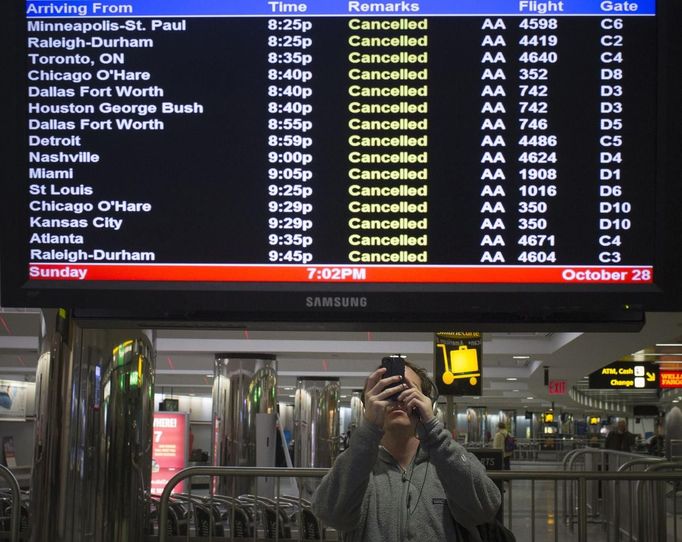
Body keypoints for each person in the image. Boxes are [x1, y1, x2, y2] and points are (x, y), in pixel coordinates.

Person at [312, 359, 501, 541]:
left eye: (406, 390)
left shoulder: (446, 460)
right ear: (368, 405)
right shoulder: (357, 466)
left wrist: (433, 430)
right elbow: (329, 514)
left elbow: (485, 508)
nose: (397, 399)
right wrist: (368, 429)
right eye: (387, 390)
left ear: (428, 403)